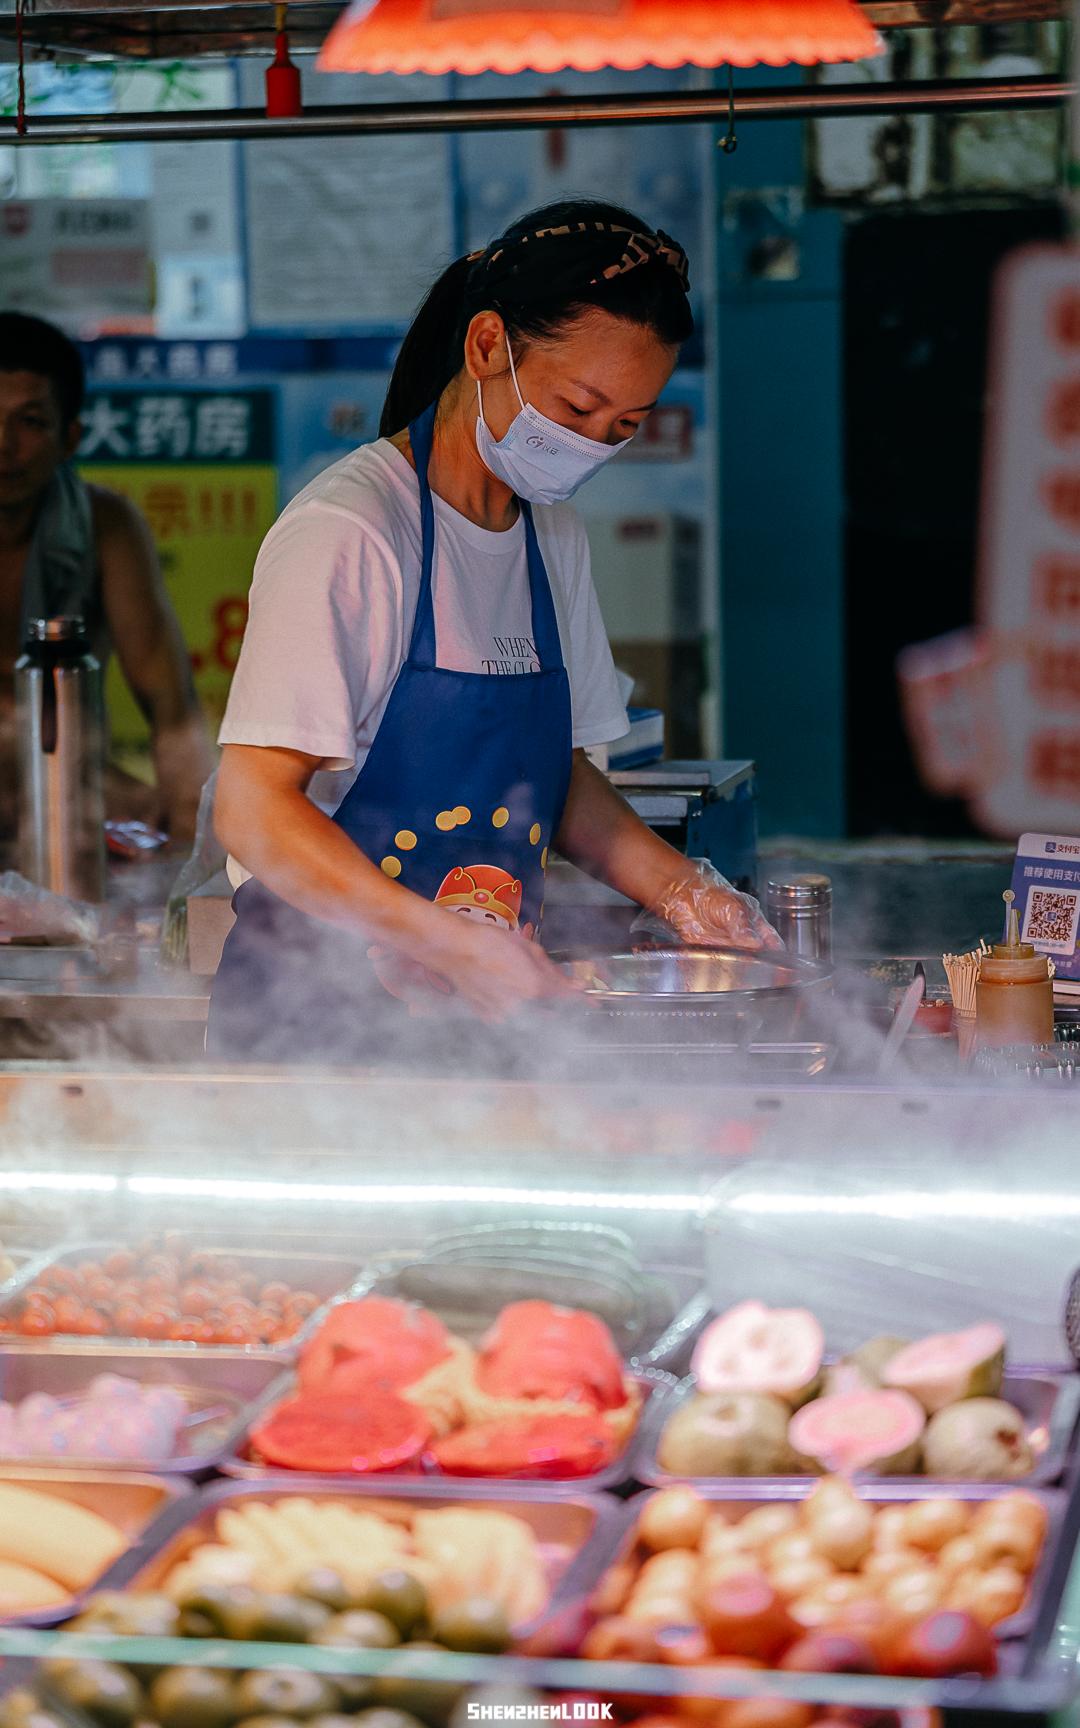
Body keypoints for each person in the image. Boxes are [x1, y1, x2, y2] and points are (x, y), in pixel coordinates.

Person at [208, 199, 778, 1066]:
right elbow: (252, 808)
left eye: (623, 427)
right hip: (313, 1033)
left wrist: (687, 894)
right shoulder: (354, 530)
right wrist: (447, 941)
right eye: (577, 407)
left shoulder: (550, 536)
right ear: (485, 347)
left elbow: (562, 780)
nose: (591, 445)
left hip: (471, 1031)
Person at [0, 312, 213, 849]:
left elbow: (171, 707)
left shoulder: (105, 525)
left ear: (70, 437)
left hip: (68, 797)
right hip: (51, 786)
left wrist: (192, 841)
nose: (3, 445)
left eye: (30, 422)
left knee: (173, 819)